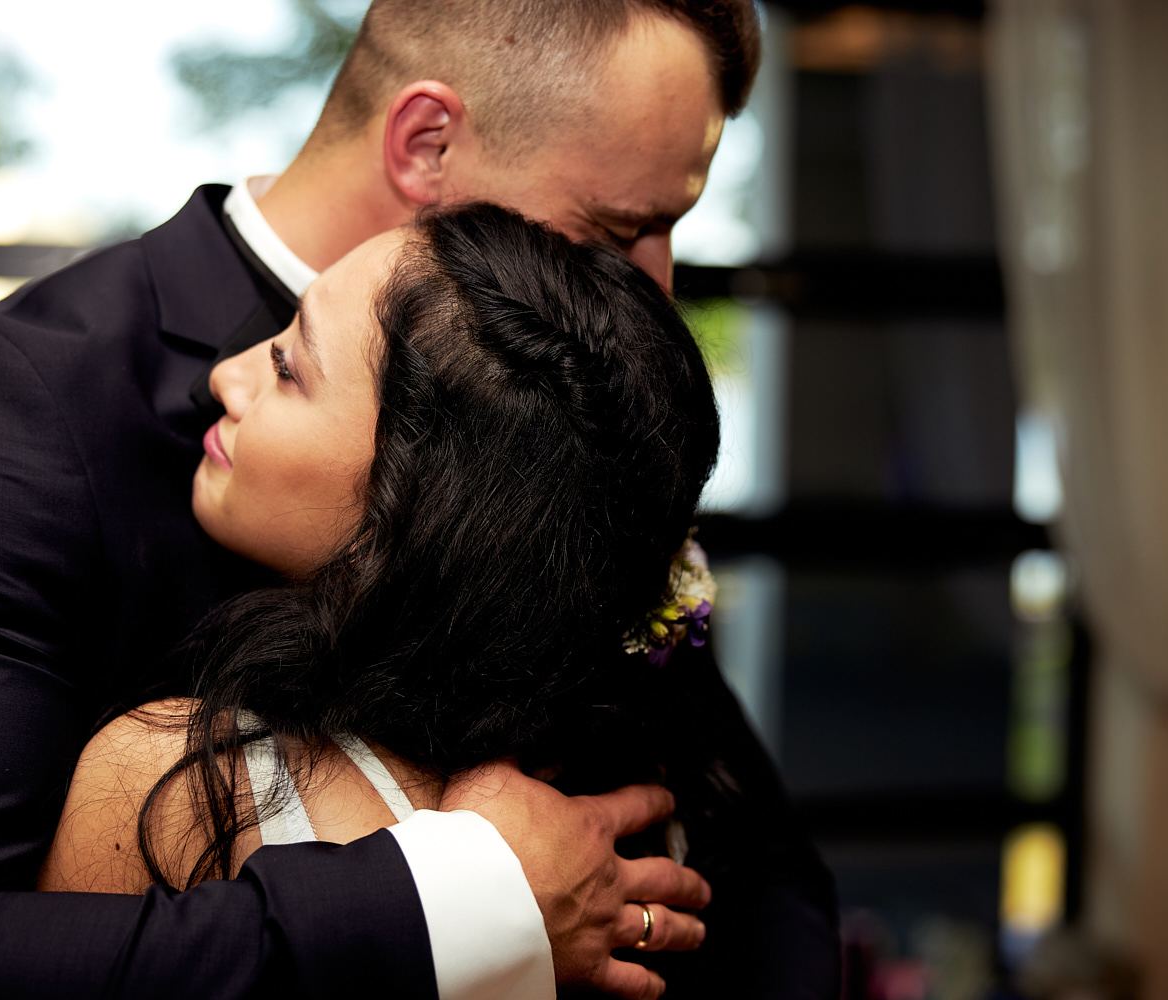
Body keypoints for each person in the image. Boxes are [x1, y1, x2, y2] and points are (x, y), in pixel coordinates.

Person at [0, 1, 838, 997]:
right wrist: (460, 904)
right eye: (613, 231)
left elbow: (762, 872)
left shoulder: (565, 426)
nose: (653, 286)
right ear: (426, 145)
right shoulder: (23, 402)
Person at [40, 203, 719, 979]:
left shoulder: (180, 789)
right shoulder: (634, 806)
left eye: (289, 369)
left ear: (418, 507)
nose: (225, 376)